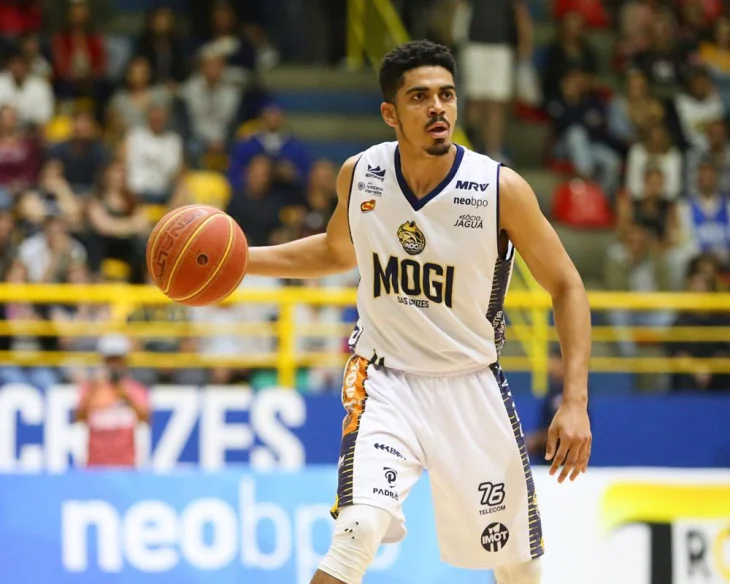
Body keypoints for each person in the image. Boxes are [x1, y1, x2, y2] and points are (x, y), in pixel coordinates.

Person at [245, 41, 592, 584]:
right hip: (384, 383)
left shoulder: (500, 189)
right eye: (420, 97)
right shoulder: (360, 174)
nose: (437, 108)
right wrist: (241, 262)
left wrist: (574, 401)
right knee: (356, 532)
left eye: (446, 95)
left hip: (470, 384)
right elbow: (337, 251)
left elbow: (567, 286)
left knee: (519, 570)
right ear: (391, 113)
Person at [75, 334, 150, 467]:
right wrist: (93, 390)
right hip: (95, 466)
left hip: (125, 466)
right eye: (110, 360)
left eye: (117, 359)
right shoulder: (92, 388)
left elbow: (145, 418)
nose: (114, 365)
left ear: (125, 360)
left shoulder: (134, 389)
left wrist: (125, 395)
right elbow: (79, 418)